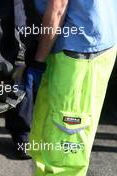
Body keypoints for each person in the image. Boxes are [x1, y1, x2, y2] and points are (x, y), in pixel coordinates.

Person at [27, 0, 117, 175]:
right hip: (91, 40)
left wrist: (38, 61)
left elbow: (57, 8)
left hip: (79, 53)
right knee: (47, 131)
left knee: (65, 148)